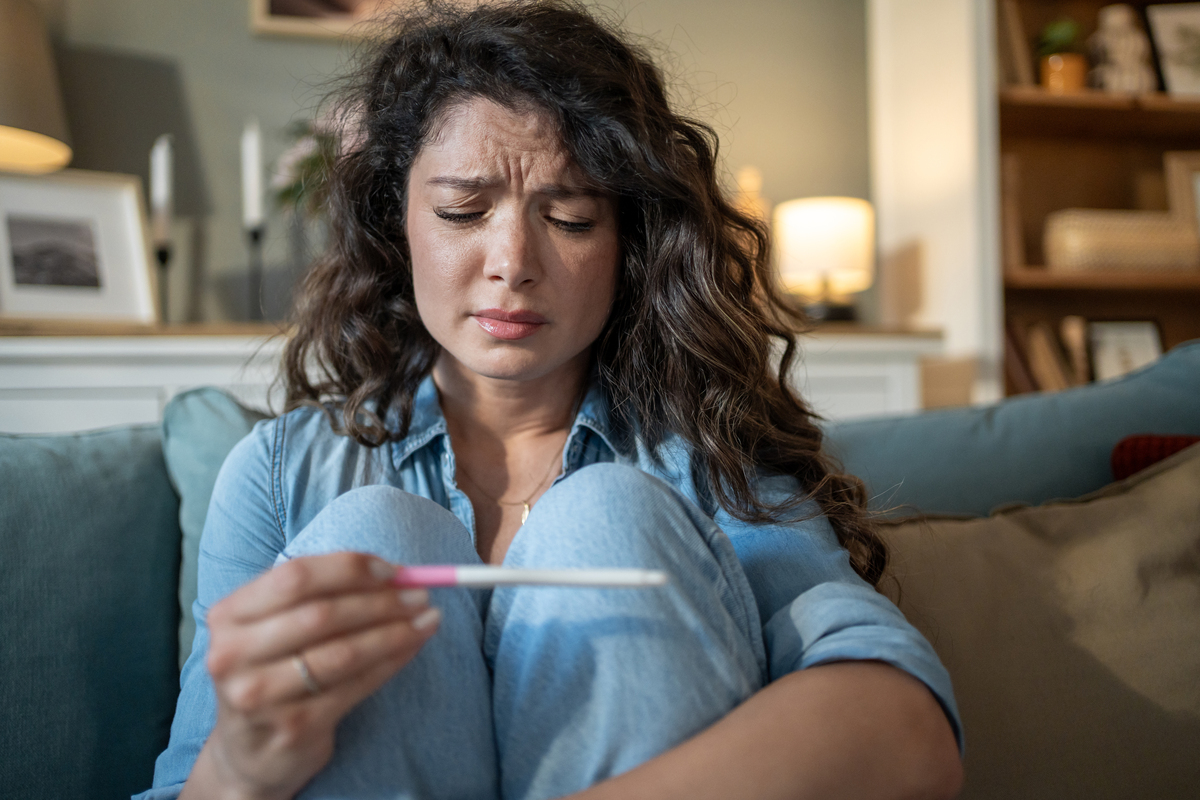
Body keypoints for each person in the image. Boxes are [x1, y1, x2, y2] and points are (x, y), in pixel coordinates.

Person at [138, 2, 963, 798]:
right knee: (373, 536)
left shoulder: (701, 458)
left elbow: (905, 730)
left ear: (628, 243)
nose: (512, 262)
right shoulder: (281, 477)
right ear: (399, 222)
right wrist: (242, 766)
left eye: (568, 218)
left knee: (609, 513)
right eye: (463, 211)